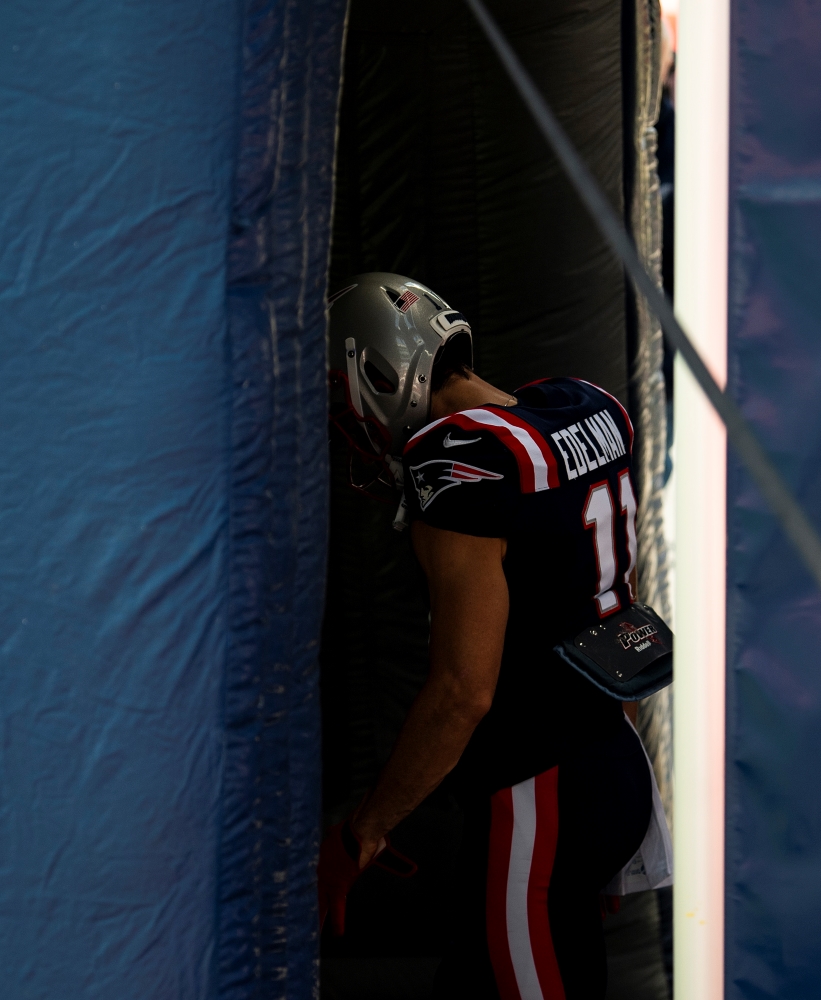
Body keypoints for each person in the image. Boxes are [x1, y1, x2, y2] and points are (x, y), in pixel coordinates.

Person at [318, 273, 672, 999]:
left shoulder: (460, 464)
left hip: (539, 797)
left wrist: (366, 828)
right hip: (612, 762)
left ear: (378, 374)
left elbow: (462, 692)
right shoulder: (584, 406)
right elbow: (617, 621)